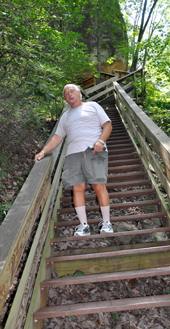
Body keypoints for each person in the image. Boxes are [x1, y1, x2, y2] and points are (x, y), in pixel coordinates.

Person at [34, 84, 113, 236]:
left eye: (72, 91)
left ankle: (107, 223)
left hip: (93, 150)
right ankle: (84, 226)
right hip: (73, 155)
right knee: (77, 188)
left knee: (98, 186)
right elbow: (57, 137)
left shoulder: (93, 106)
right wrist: (43, 151)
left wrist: (101, 141)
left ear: (79, 93)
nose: (69, 95)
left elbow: (107, 125)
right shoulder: (65, 116)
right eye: (66, 93)